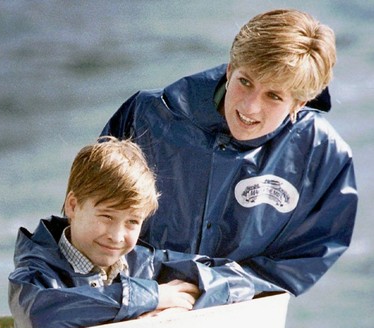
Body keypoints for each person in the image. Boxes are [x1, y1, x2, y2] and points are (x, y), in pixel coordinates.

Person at [100, 9, 358, 302]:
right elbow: (94, 213)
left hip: (238, 313)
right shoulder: (147, 115)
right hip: (135, 298)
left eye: (273, 96)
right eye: (245, 81)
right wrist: (153, 292)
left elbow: (305, 257)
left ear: (298, 103)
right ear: (229, 69)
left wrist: (212, 286)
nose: (249, 108)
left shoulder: (323, 154)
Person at [9, 136, 249, 328]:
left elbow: (239, 279)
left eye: (132, 222)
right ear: (73, 205)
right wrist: (152, 296)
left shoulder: (146, 264)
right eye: (106, 217)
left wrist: (182, 306)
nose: (116, 236)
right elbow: (43, 316)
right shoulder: (34, 274)